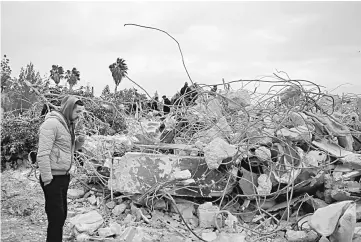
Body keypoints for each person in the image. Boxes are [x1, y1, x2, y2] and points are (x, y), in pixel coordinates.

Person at [37, 96, 86, 242]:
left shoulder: (68, 124)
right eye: (77, 111)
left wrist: (79, 142)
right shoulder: (52, 124)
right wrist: (47, 179)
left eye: (82, 112)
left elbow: (68, 150)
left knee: (61, 216)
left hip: (63, 177)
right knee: (56, 217)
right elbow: (43, 154)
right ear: (69, 109)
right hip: (52, 177)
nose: (80, 115)